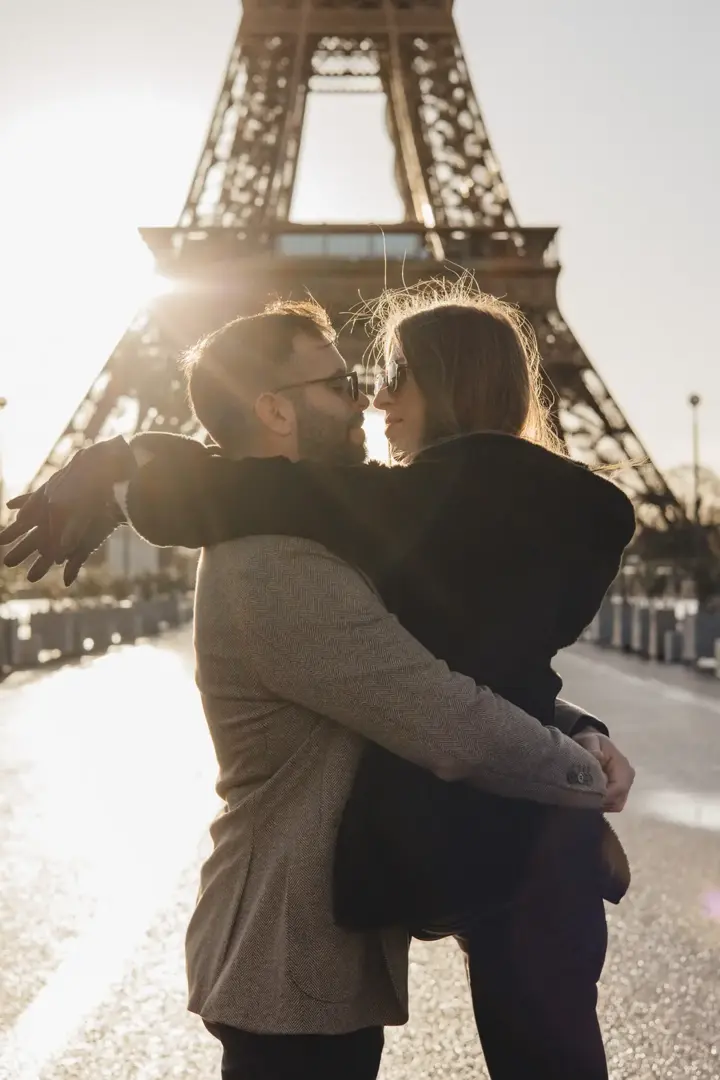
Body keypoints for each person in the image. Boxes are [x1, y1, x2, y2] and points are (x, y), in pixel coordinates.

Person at [0, 295, 635, 1080]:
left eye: (378, 376)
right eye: (340, 383)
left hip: (308, 950)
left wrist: (126, 459)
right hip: (288, 953)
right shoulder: (277, 565)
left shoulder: (332, 526)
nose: (365, 397)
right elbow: (440, 710)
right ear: (273, 410)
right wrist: (582, 778)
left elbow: (453, 662)